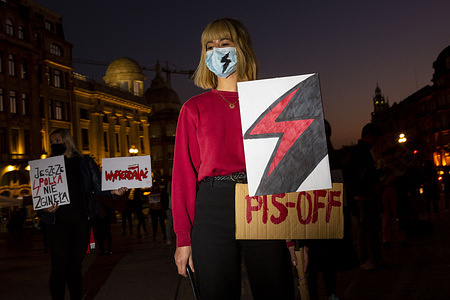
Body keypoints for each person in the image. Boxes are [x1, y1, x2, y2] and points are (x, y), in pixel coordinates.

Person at [172, 18, 294, 299]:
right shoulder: (193, 108)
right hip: (213, 207)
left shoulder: (271, 102)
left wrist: (292, 238)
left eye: (225, 43)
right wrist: (183, 239)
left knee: (276, 289)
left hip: (263, 201)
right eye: (209, 46)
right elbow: (183, 177)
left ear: (241, 48)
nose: (217, 51)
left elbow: (287, 168)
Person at [41, 128, 127, 300]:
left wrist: (114, 191)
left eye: (57, 140)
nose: (54, 144)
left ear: (67, 141)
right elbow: (41, 195)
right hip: (56, 223)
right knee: (58, 266)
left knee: (74, 267)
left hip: (80, 222)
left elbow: (98, 186)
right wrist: (45, 207)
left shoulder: (84, 162)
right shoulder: (46, 166)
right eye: (51, 142)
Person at [344, 123, 383, 270]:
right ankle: (365, 259)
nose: (377, 141)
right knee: (365, 228)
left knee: (373, 228)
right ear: (369, 136)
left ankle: (376, 258)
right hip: (363, 194)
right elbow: (359, 173)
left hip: (368, 193)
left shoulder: (364, 150)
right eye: (376, 137)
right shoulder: (360, 152)